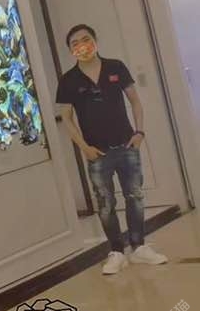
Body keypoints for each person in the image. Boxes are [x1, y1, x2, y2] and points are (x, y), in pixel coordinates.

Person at [56, 24, 167, 274]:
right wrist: (84, 148)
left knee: (134, 195)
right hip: (97, 153)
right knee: (105, 203)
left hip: (127, 145)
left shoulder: (115, 67)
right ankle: (116, 252)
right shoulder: (68, 80)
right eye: (75, 43)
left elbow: (135, 101)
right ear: (71, 50)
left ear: (95, 40)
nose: (82, 45)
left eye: (86, 39)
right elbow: (66, 118)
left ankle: (139, 247)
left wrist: (139, 132)